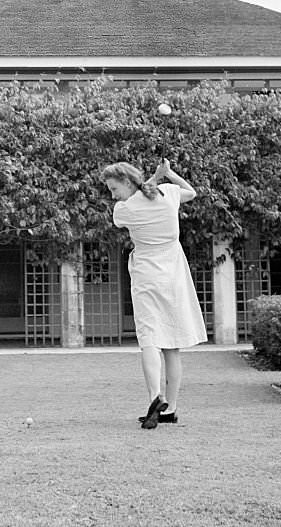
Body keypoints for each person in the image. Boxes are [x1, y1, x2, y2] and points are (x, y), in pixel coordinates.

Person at [105, 158, 207, 429]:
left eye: (114, 189)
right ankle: (170, 409)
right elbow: (191, 192)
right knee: (171, 345)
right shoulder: (167, 194)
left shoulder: (124, 209)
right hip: (173, 271)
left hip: (147, 274)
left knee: (149, 338)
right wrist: (167, 174)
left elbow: (141, 195)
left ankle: (155, 397)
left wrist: (155, 176)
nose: (113, 196)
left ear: (127, 183)